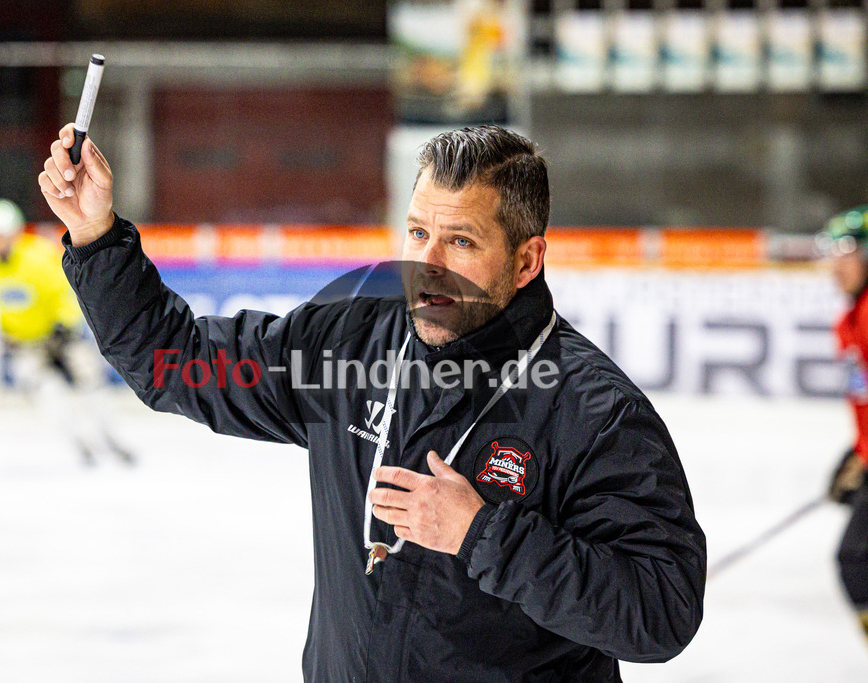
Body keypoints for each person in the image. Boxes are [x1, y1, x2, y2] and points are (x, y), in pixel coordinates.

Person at [39, 123, 705, 680]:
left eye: (461, 241)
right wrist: (96, 234)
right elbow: (177, 362)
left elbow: (661, 612)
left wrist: (483, 535)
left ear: (526, 261)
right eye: (416, 233)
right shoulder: (351, 339)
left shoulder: (594, 411)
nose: (427, 264)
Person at [0, 198, 134, 466]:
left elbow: (63, 291)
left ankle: (110, 435)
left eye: (4, 234)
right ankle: (78, 442)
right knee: (48, 392)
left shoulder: (37, 256)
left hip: (59, 335)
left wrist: (66, 325)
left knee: (90, 381)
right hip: (23, 343)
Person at [820, 205, 868, 641]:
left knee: (856, 560)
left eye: (846, 251)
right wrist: (859, 451)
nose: (835, 265)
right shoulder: (852, 317)